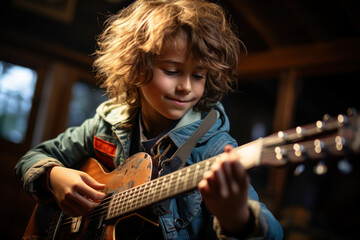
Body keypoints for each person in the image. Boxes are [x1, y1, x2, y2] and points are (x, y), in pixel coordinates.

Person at [15, 0, 283, 239]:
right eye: (171, 71)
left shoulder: (215, 149)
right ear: (136, 65)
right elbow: (32, 158)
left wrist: (239, 220)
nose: (186, 87)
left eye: (199, 75)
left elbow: (274, 232)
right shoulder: (106, 123)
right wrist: (53, 176)